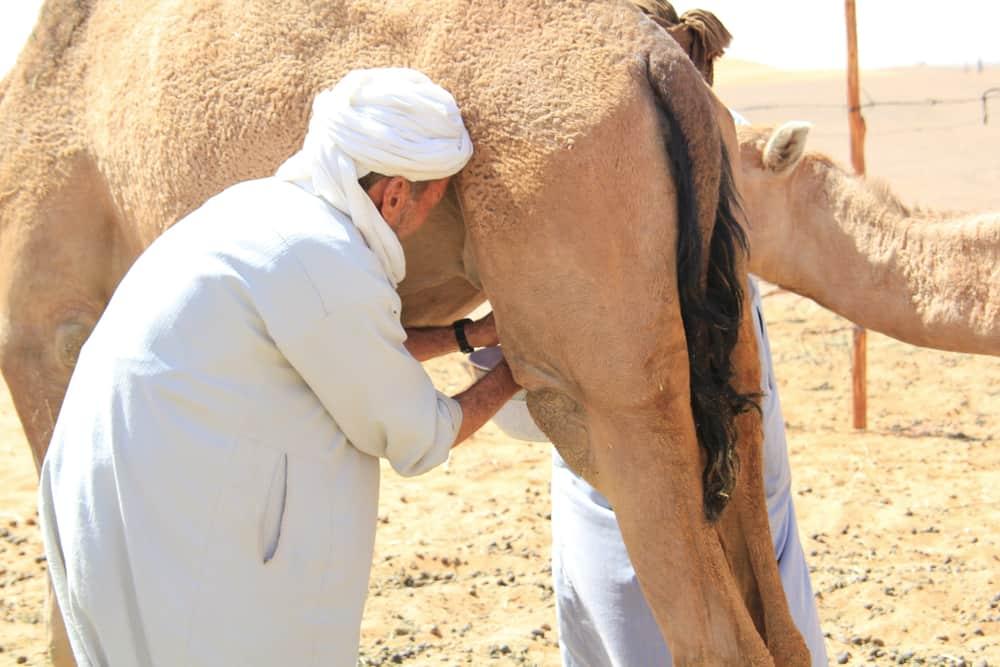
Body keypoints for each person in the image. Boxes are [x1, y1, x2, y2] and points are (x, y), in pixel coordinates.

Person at [38, 68, 520, 667]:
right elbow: (420, 435)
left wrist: (464, 336)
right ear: (395, 194)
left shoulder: (262, 211)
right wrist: (517, 367)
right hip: (179, 520)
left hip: (117, 492)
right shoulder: (327, 259)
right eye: (435, 200)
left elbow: (328, 350)